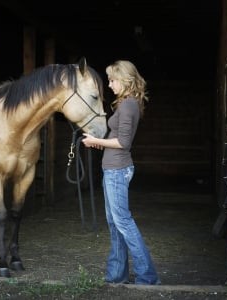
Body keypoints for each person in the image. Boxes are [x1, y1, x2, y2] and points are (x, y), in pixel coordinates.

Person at [82, 60, 160, 285]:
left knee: (123, 222)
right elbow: (118, 138)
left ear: (124, 80)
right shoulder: (127, 103)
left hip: (117, 170)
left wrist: (97, 140)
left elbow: (124, 142)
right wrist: (101, 142)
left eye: (112, 80)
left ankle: (148, 276)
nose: (109, 84)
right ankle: (117, 275)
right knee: (115, 223)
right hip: (113, 168)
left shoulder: (127, 105)